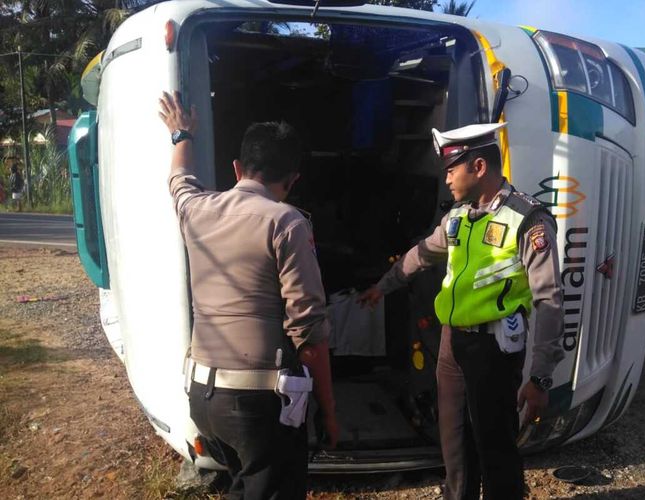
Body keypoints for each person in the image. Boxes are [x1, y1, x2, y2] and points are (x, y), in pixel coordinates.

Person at [358, 122, 564, 500]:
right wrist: (382, 286)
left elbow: (549, 299)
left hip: (494, 349)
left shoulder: (527, 220)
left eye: (452, 168)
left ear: (479, 167)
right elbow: (421, 255)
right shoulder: (458, 216)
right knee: (453, 439)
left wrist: (541, 377)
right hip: (452, 345)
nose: (447, 177)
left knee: (494, 442)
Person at [158, 91, 338, 500]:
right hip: (258, 403)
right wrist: (327, 410)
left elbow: (178, 180)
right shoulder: (286, 222)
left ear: (237, 168)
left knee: (243, 487)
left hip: (204, 398)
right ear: (292, 181)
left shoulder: (196, 210)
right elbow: (308, 331)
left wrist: (180, 133)